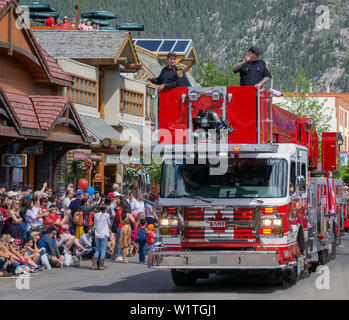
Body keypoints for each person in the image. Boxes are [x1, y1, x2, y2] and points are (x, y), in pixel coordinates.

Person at [92, 205, 110, 270]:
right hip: (104, 233)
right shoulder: (107, 215)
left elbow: (95, 223)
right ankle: (101, 265)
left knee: (97, 249)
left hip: (97, 233)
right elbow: (109, 223)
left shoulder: (95, 215)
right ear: (104, 210)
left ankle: (94, 265)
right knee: (103, 250)